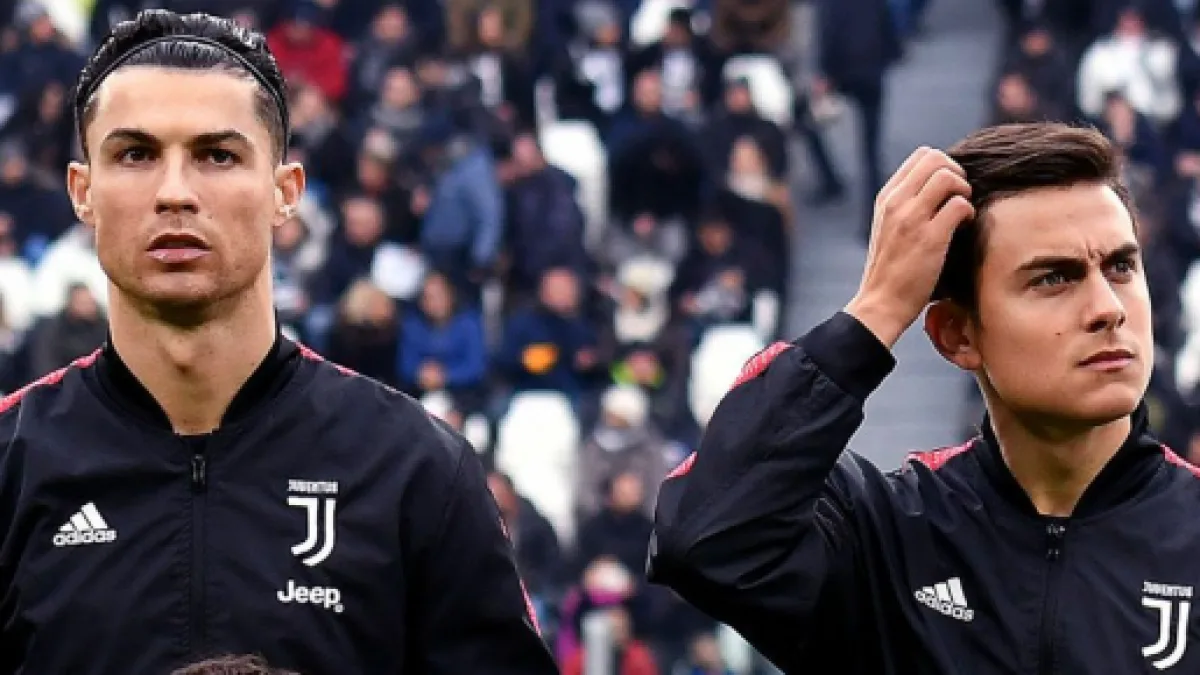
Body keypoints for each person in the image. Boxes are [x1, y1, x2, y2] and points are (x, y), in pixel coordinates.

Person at [0, 10, 557, 675]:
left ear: (284, 192)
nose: (175, 193)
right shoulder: (12, 465)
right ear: (83, 192)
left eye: (217, 155)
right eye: (136, 154)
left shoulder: (415, 469)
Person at [646, 122, 1199, 673]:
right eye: (1054, 278)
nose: (1108, 308)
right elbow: (703, 539)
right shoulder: (885, 537)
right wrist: (878, 309)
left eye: (1121, 267)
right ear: (958, 335)